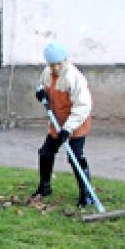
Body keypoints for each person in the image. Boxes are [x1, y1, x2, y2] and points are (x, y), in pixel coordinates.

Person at [31, 41, 94, 207]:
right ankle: (44, 187)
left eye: (59, 64)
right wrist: (41, 93)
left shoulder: (75, 78)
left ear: (65, 60)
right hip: (57, 120)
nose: (56, 68)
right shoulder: (47, 72)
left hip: (76, 122)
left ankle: (86, 195)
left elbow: (83, 106)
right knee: (45, 153)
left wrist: (68, 128)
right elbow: (43, 85)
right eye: (52, 65)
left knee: (75, 157)